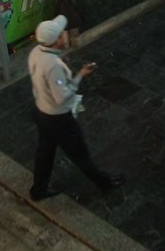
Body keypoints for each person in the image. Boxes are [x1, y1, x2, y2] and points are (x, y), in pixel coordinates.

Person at [27, 15, 125, 201]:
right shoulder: (53, 65)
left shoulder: (35, 53)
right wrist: (79, 76)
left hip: (41, 112)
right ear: (56, 41)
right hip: (58, 120)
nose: (65, 34)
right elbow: (61, 98)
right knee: (80, 154)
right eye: (62, 33)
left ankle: (38, 190)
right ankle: (103, 181)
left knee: (45, 153)